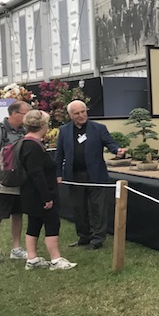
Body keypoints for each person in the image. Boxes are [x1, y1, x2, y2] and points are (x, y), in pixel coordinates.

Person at [55, 100, 125, 250]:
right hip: (74, 176)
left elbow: (110, 143)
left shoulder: (99, 128)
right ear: (70, 115)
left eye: (83, 111)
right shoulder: (64, 130)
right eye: (77, 113)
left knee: (98, 207)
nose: (81, 115)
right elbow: (59, 154)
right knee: (78, 208)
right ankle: (84, 236)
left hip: (95, 175)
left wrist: (117, 151)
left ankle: (97, 239)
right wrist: (58, 174)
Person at [20, 110, 77, 271]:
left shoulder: (26, 143)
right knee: (52, 223)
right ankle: (55, 259)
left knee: (34, 223)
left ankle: (32, 259)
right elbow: (37, 174)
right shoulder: (33, 147)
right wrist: (47, 197)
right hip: (41, 193)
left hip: (30, 193)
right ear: (42, 125)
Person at [0, 100, 30, 264]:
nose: (28, 117)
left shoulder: (23, 132)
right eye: (26, 114)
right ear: (14, 113)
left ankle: (16, 249)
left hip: (18, 181)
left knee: (17, 214)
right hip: (0, 182)